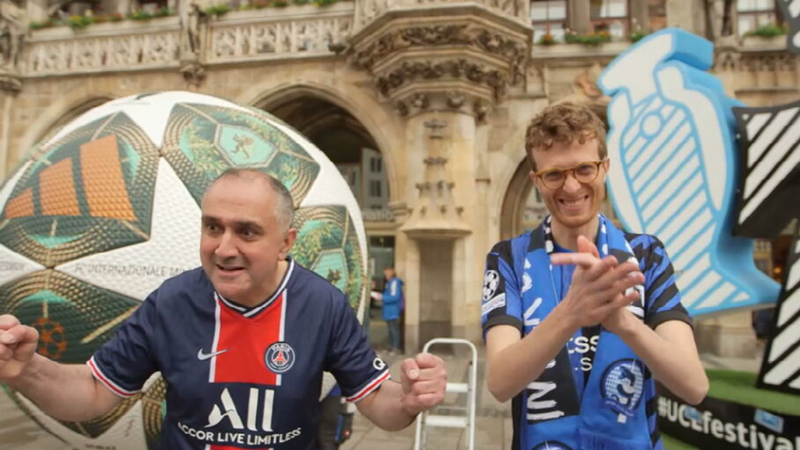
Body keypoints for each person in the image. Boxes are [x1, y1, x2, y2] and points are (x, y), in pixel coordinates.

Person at [0, 169, 446, 450]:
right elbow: (95, 393)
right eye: (213, 227)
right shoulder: (171, 303)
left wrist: (406, 400)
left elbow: (375, 401)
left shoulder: (322, 304)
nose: (223, 248)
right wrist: (28, 371)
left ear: (286, 242)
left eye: (247, 232)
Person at [481, 103, 708, 450]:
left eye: (584, 169)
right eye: (554, 174)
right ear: (536, 180)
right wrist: (571, 314)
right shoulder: (508, 258)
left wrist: (624, 323)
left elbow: (694, 386)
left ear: (605, 168)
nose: (571, 187)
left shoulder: (646, 255)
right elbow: (500, 383)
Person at [382, 267, 404, 354]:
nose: (385, 276)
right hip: (389, 310)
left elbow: (394, 296)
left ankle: (395, 347)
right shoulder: (390, 283)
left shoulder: (394, 282)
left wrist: (382, 297)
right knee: (391, 329)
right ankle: (391, 346)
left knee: (394, 329)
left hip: (392, 310)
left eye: (386, 274)